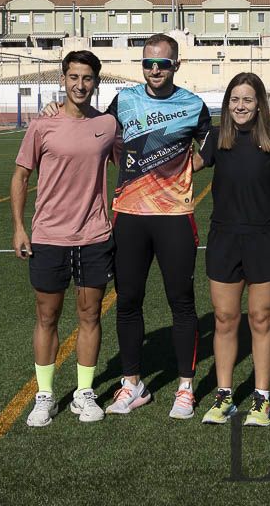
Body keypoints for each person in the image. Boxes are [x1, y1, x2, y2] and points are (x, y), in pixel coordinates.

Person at [45, 33, 211, 419]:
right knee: (128, 302)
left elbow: (214, 143)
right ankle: (132, 384)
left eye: (163, 64)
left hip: (174, 217)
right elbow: (96, 131)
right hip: (129, 217)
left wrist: (187, 170)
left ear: (176, 66)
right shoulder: (124, 101)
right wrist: (59, 109)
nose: (155, 70)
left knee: (182, 303)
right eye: (148, 63)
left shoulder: (193, 104)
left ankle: (185, 388)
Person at [12, 50, 121, 427]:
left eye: (87, 78)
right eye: (73, 77)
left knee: (90, 314)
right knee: (47, 316)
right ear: (63, 79)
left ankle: (84, 393)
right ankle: (44, 396)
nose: (80, 84)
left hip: (94, 235)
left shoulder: (108, 125)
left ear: (96, 82)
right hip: (49, 237)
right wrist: (19, 227)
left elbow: (130, 164)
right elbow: (21, 177)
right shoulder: (42, 126)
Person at [193, 73, 270, 428]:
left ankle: (262, 398)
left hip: (264, 238)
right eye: (235, 100)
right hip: (224, 239)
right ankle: (224, 396)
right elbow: (185, 166)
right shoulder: (215, 138)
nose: (240, 106)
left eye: (248, 100)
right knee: (225, 320)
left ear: (259, 105)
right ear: (227, 104)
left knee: (261, 319)